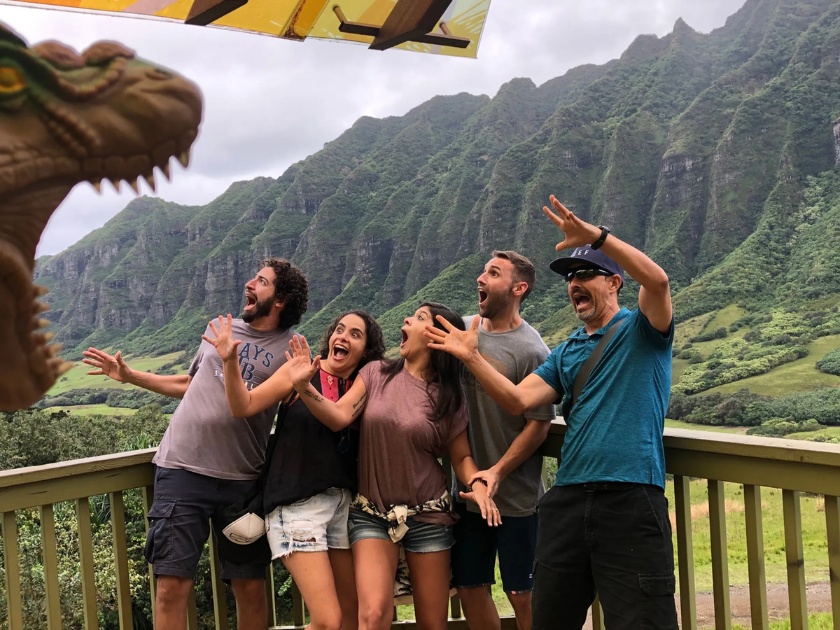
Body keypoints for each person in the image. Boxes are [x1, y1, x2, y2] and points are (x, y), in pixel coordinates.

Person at [424, 196, 678, 630]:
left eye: (586, 274)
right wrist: (471, 357)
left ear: (615, 282)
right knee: (549, 618)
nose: (575, 283)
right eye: (570, 278)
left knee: (641, 619)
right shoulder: (564, 353)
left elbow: (657, 282)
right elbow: (519, 401)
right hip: (568, 499)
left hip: (632, 498)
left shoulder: (643, 330)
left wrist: (597, 237)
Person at [82, 258, 309, 630]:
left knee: (250, 588)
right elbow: (191, 384)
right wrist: (129, 376)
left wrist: (230, 359)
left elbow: (245, 406)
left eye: (261, 281)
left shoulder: (293, 355)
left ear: (280, 299)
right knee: (171, 585)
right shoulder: (221, 330)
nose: (249, 283)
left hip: (242, 483)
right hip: (181, 470)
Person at [284, 302, 502, 630]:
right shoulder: (376, 374)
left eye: (418, 318)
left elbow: (461, 459)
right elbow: (340, 415)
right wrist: (304, 387)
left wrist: (479, 485)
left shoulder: (449, 397)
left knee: (433, 623)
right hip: (372, 514)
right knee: (372, 617)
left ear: (434, 337)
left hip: (429, 516)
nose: (406, 319)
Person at [201, 310, 386, 630]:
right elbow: (242, 405)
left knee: (351, 617)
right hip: (296, 507)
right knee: (327, 621)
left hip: (343, 506)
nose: (342, 336)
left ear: (367, 351)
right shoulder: (299, 370)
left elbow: (342, 418)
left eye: (355, 335)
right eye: (339, 329)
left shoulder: (364, 382)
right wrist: (231, 362)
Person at [451, 251, 555, 630]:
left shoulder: (532, 350)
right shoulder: (463, 330)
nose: (481, 278)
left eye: (492, 273)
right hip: (466, 493)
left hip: (517, 498)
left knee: (521, 594)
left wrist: (497, 471)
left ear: (518, 288)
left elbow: (539, 424)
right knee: (469, 585)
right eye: (483, 270)